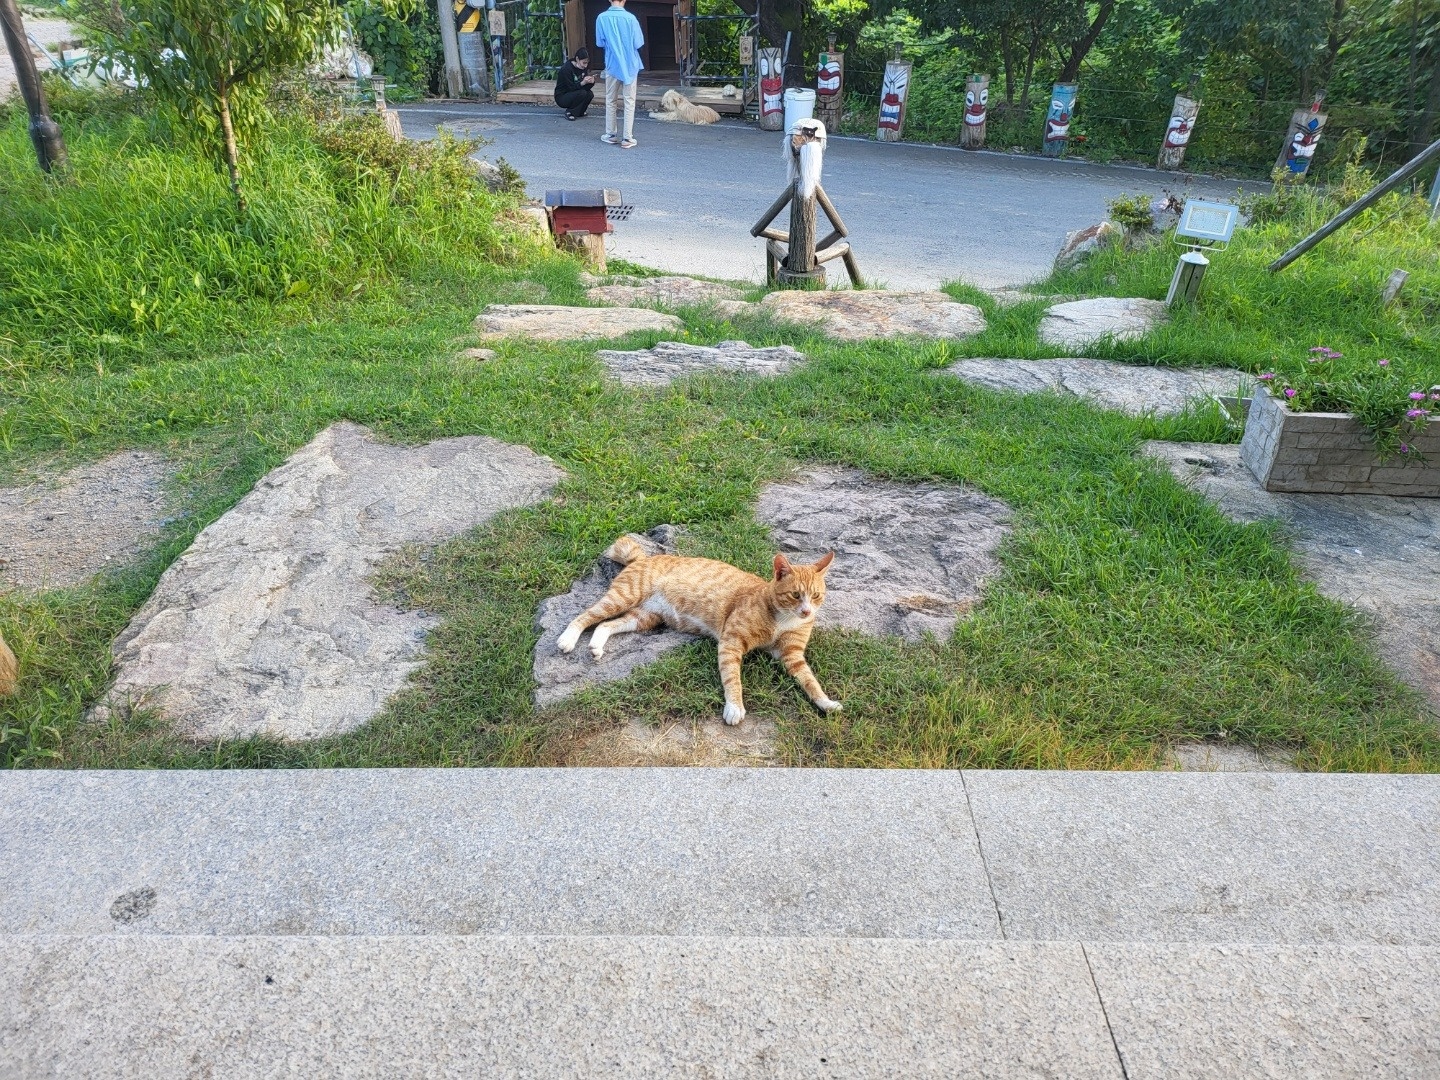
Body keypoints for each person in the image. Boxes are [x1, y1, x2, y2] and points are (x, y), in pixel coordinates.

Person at [595, 0, 644, 149]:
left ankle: (610, 134)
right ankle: (627, 138)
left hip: (611, 64)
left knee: (611, 99)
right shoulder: (631, 18)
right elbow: (638, 43)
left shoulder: (601, 17)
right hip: (630, 65)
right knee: (629, 101)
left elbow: (600, 43)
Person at [553, 48, 596, 120]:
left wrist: (591, 82)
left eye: (587, 63)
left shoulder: (583, 68)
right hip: (562, 96)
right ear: (577, 59)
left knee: (589, 94)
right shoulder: (566, 69)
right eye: (584, 63)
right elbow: (571, 88)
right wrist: (583, 83)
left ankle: (580, 112)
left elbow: (585, 88)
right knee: (582, 93)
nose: (585, 66)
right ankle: (570, 112)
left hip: (575, 91)